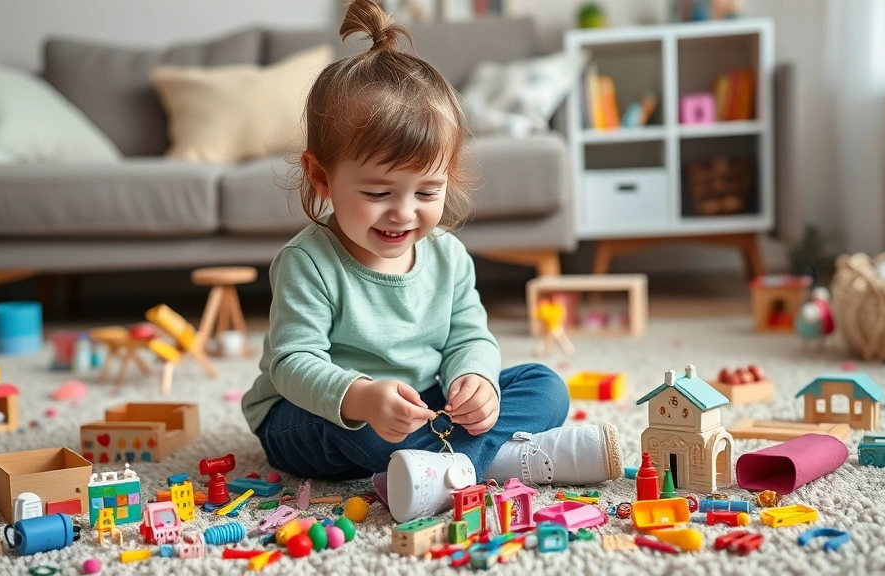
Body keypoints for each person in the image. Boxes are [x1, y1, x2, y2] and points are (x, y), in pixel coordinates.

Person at [241, 0, 622, 502]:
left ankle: (453, 463)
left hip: (419, 406)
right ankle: (491, 458)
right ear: (321, 177)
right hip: (316, 415)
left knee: (545, 384)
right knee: (372, 435)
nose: (403, 213)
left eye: (426, 192)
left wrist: (475, 380)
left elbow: (470, 336)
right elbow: (293, 364)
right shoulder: (308, 262)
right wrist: (362, 397)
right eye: (378, 193)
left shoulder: (448, 256)